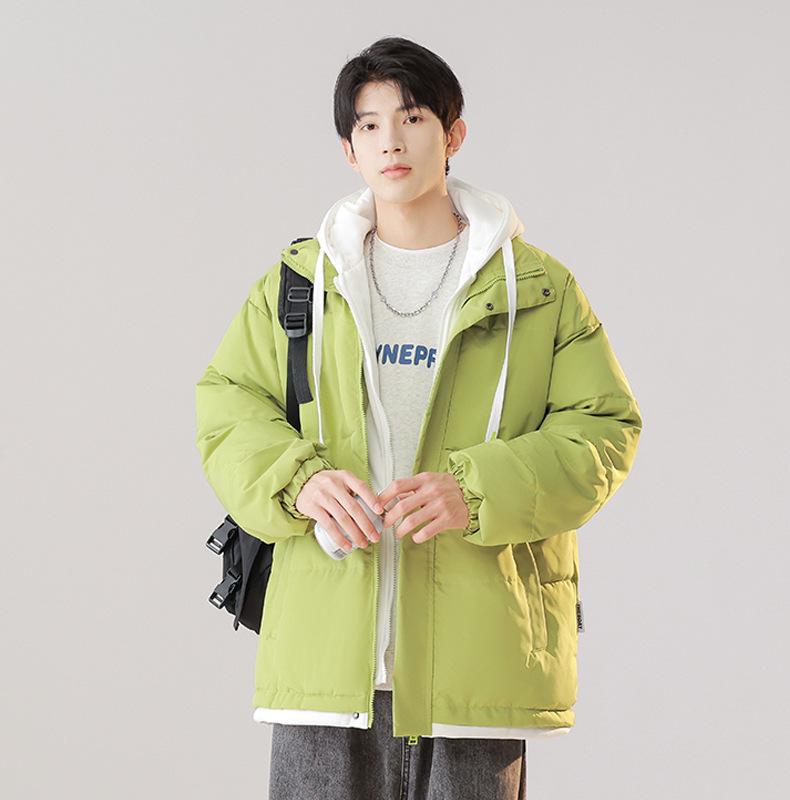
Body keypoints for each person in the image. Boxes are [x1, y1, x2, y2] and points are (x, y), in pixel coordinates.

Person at [194, 35, 643, 800]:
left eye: (411, 118)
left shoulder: (538, 290)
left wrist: (478, 489)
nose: (391, 141)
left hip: (478, 661)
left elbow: (603, 430)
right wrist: (298, 480)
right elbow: (228, 406)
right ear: (349, 150)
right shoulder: (299, 283)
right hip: (324, 660)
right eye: (368, 125)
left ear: (453, 133)